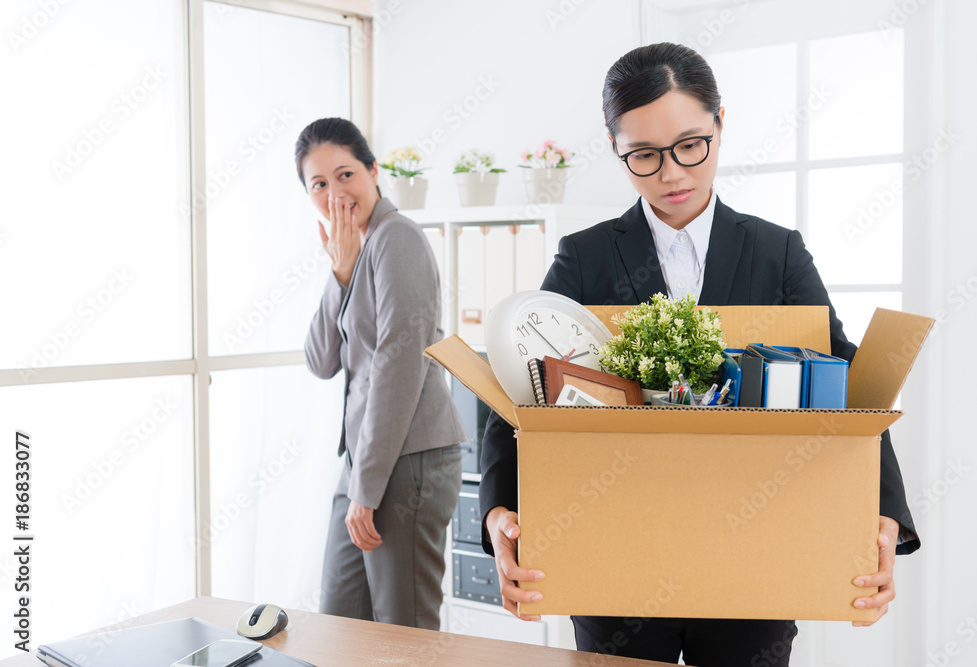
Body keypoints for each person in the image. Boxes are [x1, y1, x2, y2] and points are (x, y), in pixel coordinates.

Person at [478, 42, 920, 665]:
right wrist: (501, 514)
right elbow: (517, 390)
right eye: (643, 155)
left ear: (719, 123)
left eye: (691, 145)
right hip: (616, 569)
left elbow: (850, 392)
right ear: (615, 147)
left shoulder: (777, 253)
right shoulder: (587, 258)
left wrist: (883, 517)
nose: (672, 174)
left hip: (755, 568)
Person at [299, 117, 466, 630]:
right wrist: (339, 275)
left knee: (402, 635)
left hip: (408, 462)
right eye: (319, 184)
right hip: (367, 459)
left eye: (345, 174)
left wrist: (366, 490)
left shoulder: (398, 241)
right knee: (340, 624)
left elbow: (398, 364)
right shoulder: (358, 251)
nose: (335, 193)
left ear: (374, 171)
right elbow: (320, 360)